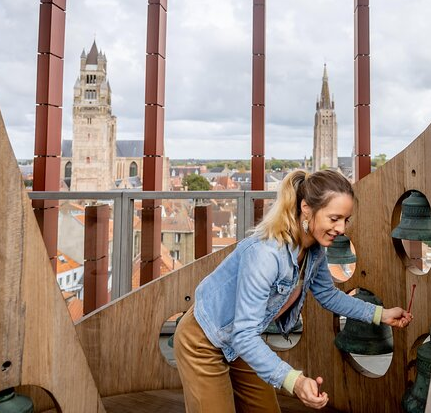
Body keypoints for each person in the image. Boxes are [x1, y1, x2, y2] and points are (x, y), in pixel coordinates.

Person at [173, 169, 412, 412]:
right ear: (306, 208)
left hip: (241, 340)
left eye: (345, 220)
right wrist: (294, 381)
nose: (341, 228)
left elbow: (328, 295)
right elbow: (244, 334)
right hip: (203, 339)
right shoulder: (266, 255)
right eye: (334, 218)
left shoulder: (314, 251)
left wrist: (380, 314)